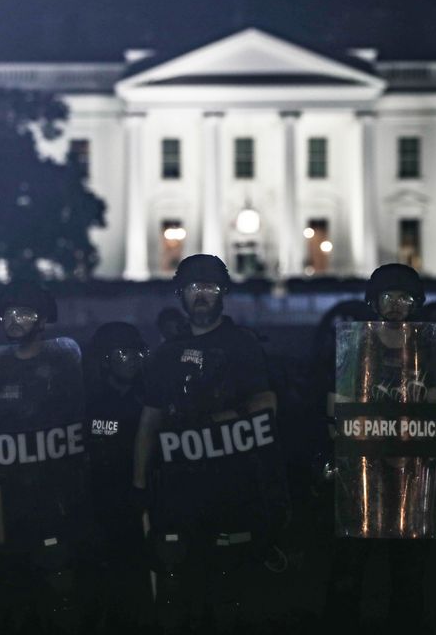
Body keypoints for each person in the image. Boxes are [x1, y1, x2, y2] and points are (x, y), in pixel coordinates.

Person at [132, 254, 289, 632]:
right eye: (193, 289)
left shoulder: (243, 344)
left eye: (209, 288)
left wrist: (227, 418)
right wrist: (138, 486)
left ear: (223, 294)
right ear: (180, 296)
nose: (201, 295)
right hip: (179, 493)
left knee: (229, 594)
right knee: (182, 591)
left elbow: (267, 402)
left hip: (233, 486)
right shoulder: (166, 353)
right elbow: (149, 422)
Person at [0, 281, 88, 633]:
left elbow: (81, 418)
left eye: (24, 314)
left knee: (60, 587)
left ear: (42, 321)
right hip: (6, 499)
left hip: (53, 494)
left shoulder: (62, 363)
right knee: (12, 590)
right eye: (8, 315)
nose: (15, 321)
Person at [323, 263, 436, 633]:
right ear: (374, 302)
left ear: (416, 304)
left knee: (409, 569)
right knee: (350, 563)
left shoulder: (427, 348)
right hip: (363, 471)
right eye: (389, 297)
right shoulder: (356, 345)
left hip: (411, 472)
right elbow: (337, 403)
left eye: (404, 298)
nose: (396, 305)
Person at [82, 321, 152, 630]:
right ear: (106, 358)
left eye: (138, 352)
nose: (134, 358)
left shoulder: (149, 399)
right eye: (124, 352)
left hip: (143, 501)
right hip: (100, 504)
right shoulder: (89, 402)